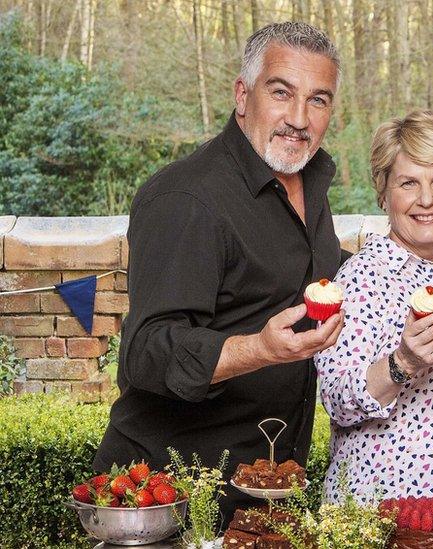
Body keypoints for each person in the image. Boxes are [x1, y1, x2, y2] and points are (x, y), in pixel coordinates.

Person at [94, 22, 346, 526]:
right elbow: (146, 353)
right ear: (241, 94)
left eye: (318, 100)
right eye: (281, 93)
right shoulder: (187, 199)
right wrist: (261, 349)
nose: (299, 118)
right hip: (175, 493)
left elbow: (296, 278)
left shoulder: (309, 179)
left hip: (266, 485)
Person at [315, 111, 433, 509]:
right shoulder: (357, 279)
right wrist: (401, 362)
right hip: (384, 514)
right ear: (384, 193)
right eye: (408, 183)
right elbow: (337, 399)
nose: (426, 199)